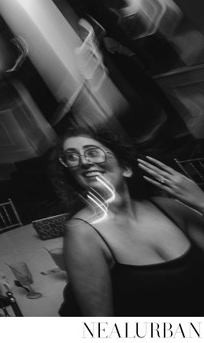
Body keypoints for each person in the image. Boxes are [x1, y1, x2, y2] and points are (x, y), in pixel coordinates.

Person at [48, 127, 204, 316]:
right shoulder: (83, 232)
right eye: (71, 157)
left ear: (126, 168)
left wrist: (201, 201)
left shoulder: (169, 208)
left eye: (92, 152)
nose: (84, 161)